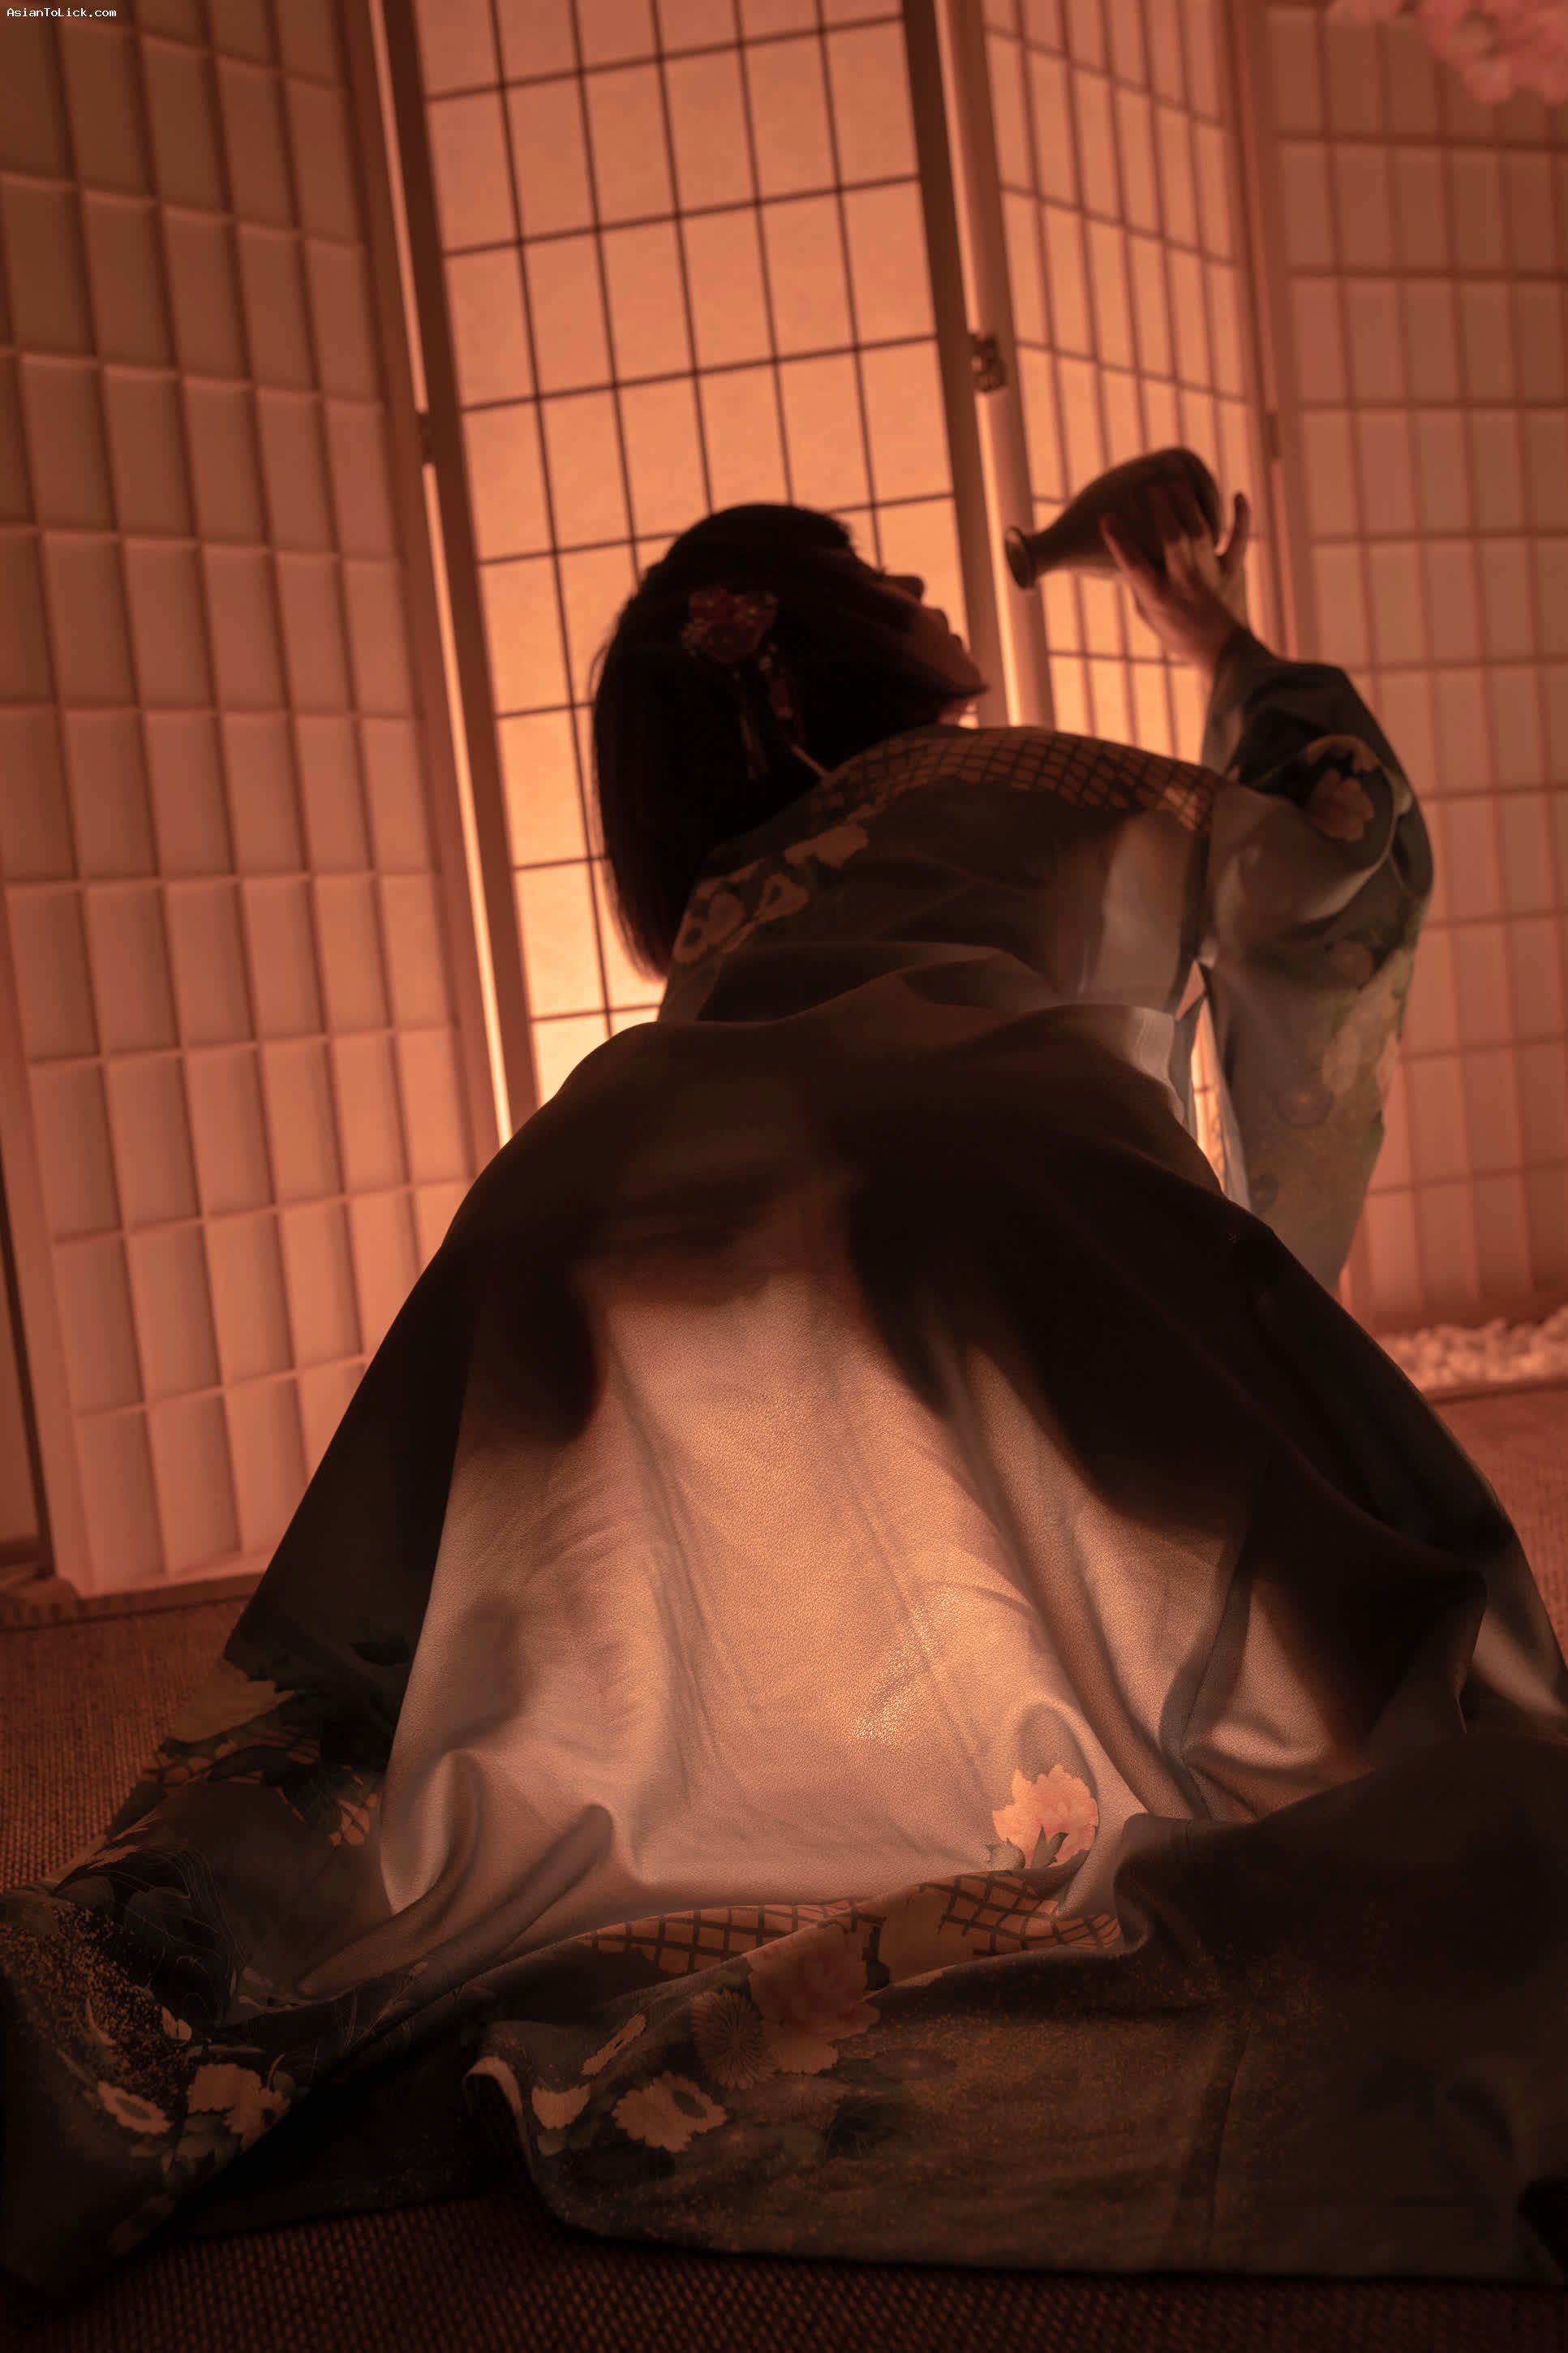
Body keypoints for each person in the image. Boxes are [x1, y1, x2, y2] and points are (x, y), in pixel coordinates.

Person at [4, 492, 1568, 2298]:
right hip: (986, 1158)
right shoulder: (1047, 776)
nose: (913, 583)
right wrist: (1216, 632)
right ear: (816, 656)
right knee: (1415, 1710)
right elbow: (1333, 856)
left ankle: (128, 2013)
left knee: (388, 1735)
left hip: (599, 1186)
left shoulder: (738, 877)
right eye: (874, 574)